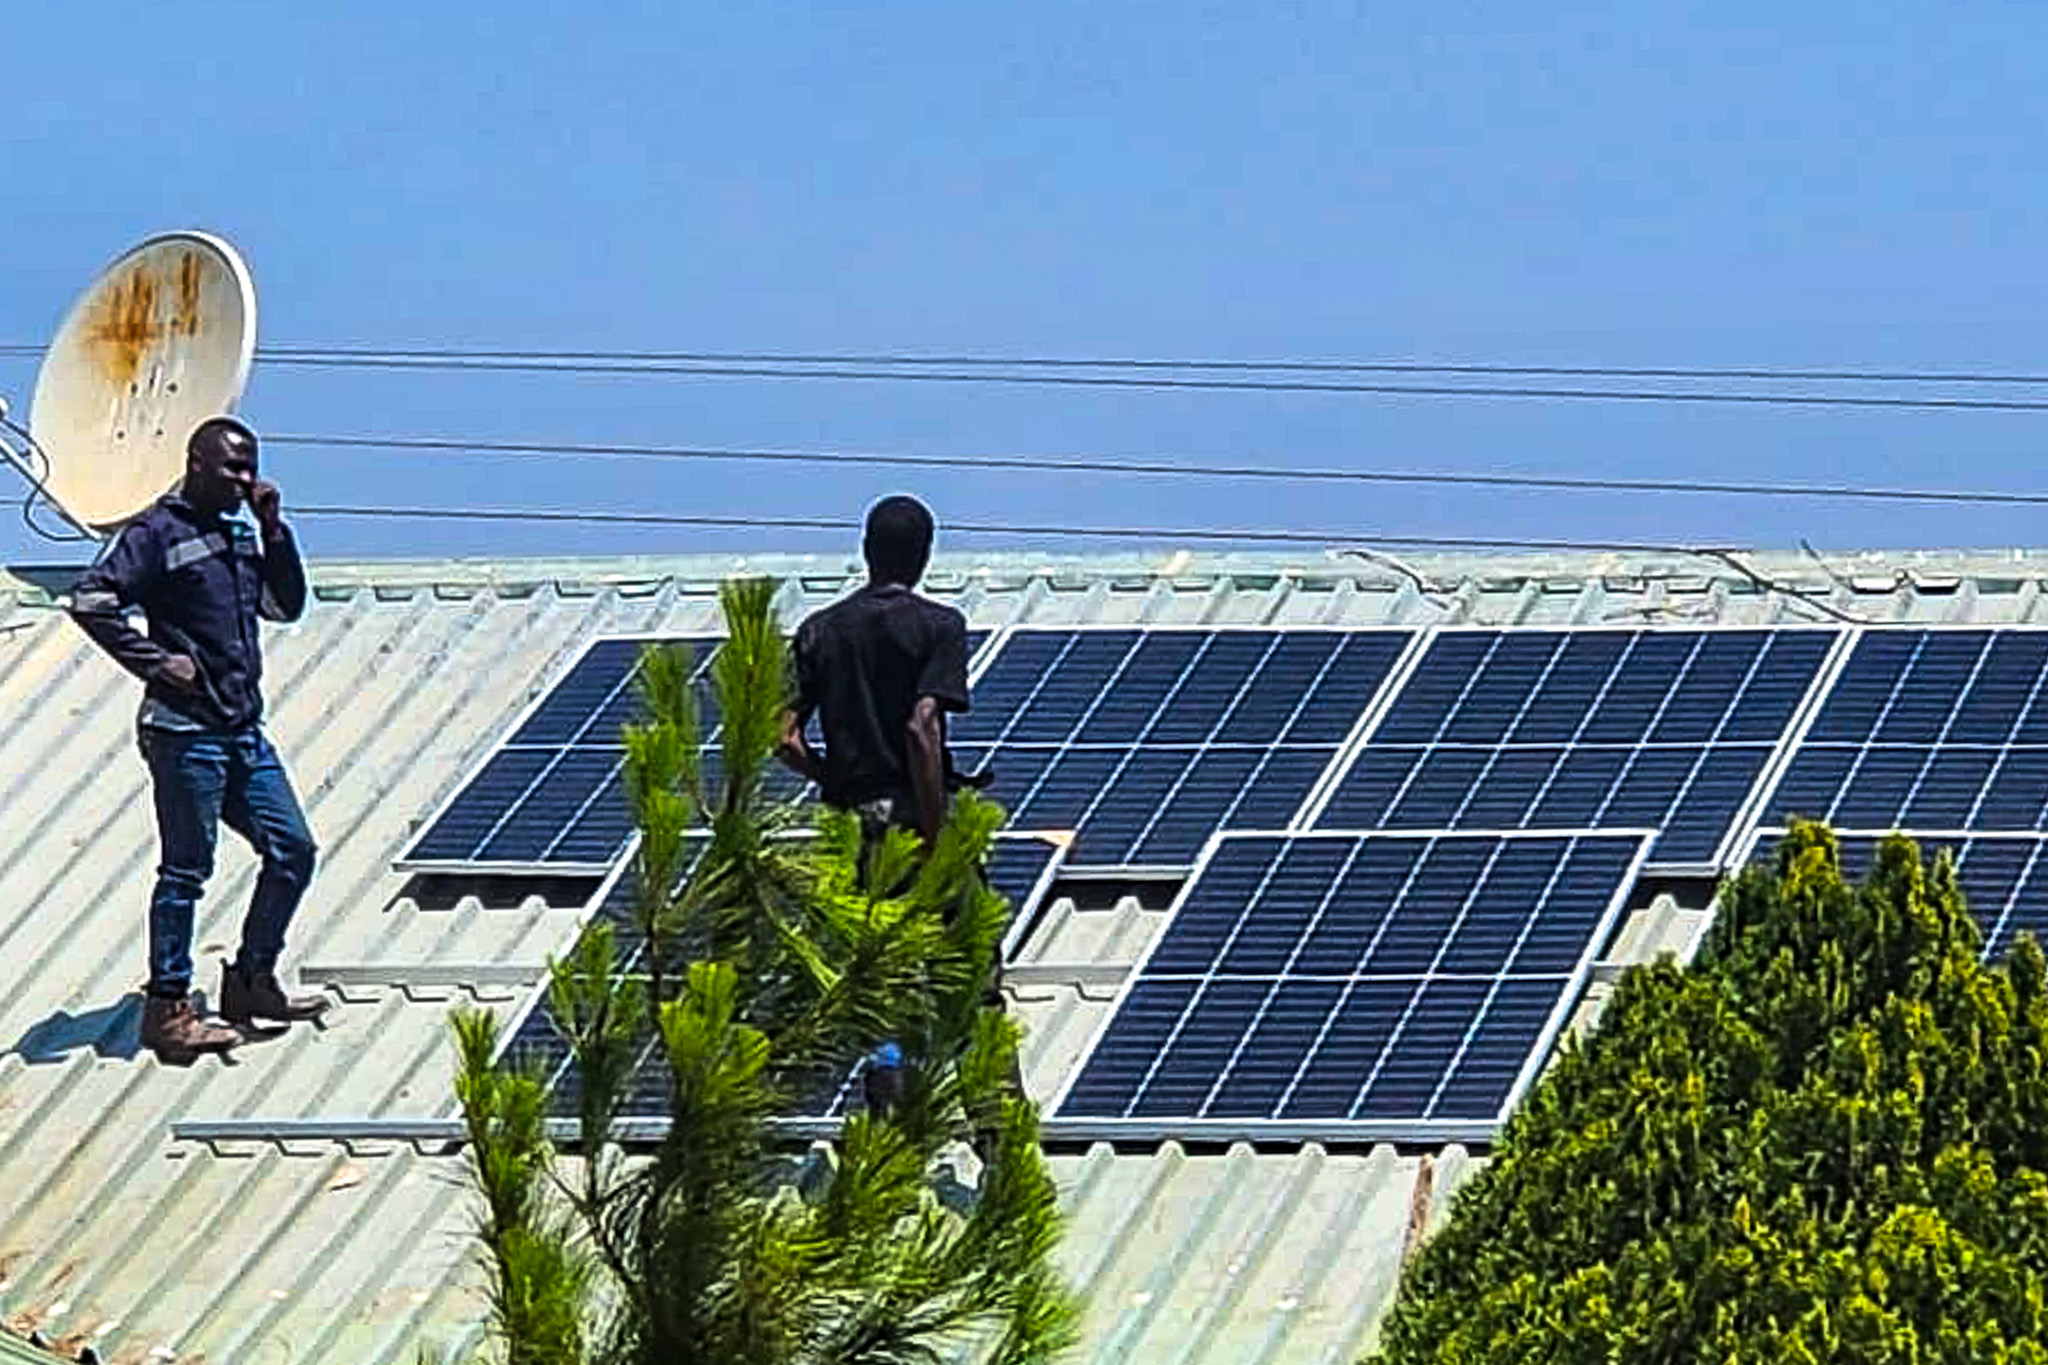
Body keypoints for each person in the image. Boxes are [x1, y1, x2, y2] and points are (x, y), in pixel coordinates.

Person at [69, 416, 330, 1064]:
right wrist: (158, 662)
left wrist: (273, 528)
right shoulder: (157, 532)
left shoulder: (239, 534)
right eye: (231, 468)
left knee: (293, 849)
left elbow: (285, 605)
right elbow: (90, 599)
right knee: (187, 869)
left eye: (250, 467)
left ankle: (250, 979)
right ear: (195, 463)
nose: (244, 479)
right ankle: (168, 1007)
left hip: (241, 728)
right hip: (184, 732)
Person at [777, 494, 986, 1110]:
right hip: (913, 815)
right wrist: (934, 830)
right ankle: (993, 1130)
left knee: (877, 981)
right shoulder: (938, 626)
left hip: (852, 831)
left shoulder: (820, 631)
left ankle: (886, 1123)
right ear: (924, 556)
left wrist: (833, 783)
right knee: (968, 973)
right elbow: (923, 727)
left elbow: (782, 737)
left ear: (866, 552)